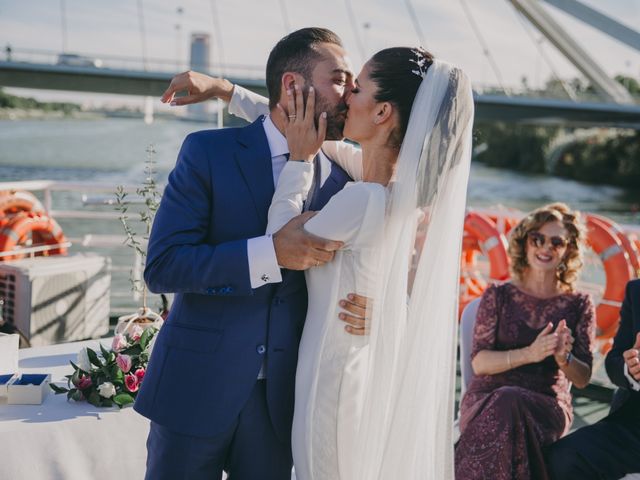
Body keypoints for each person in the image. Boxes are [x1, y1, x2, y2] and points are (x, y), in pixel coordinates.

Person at [172, 47, 474, 478]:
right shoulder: (392, 186)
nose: (348, 94)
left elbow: (282, 238)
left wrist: (299, 161)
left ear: (383, 111)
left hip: (330, 378)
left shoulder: (362, 197)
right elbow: (301, 126)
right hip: (355, 364)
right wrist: (226, 91)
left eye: (360, 86)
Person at [135, 27, 361, 480]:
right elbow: (163, 266)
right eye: (339, 79)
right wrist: (270, 253)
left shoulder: (346, 182)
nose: (351, 92)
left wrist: (374, 307)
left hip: (281, 406)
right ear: (292, 86)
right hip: (194, 389)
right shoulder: (207, 152)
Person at [455, 203, 596, 480]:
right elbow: (480, 363)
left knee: (510, 402)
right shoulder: (497, 295)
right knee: (506, 401)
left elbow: (582, 379)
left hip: (546, 404)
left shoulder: (580, 304)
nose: (546, 247)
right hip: (487, 397)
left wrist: (563, 358)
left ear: (568, 250)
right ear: (525, 242)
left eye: (557, 242)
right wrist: (530, 353)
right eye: (537, 239)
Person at [546, 279, 640, 479]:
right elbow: (614, 362)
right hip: (634, 428)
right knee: (563, 457)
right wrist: (631, 370)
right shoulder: (636, 290)